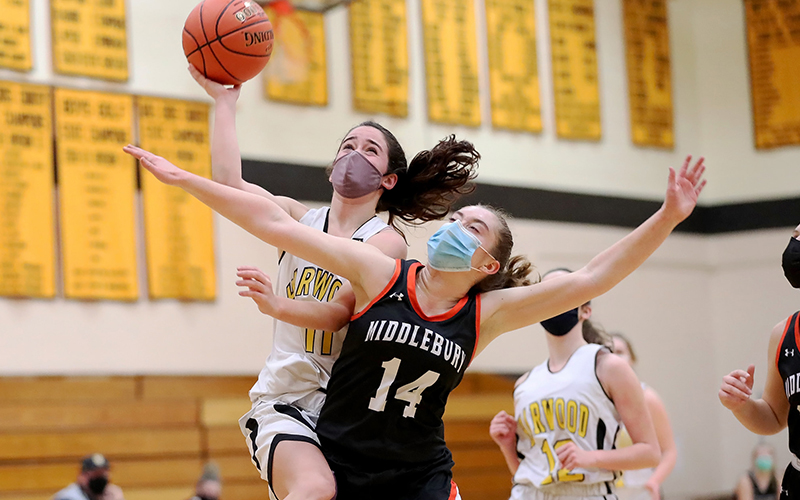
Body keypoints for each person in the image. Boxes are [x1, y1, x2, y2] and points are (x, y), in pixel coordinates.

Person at [122, 142, 705, 500]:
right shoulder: (382, 275)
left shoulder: (488, 313)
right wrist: (183, 180)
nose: (455, 225)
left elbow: (593, 278)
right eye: (456, 216)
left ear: (488, 264)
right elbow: (277, 227)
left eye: (472, 226)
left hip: (419, 474)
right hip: (344, 459)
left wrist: (668, 217)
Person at [188, 66, 479, 500]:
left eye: (369, 150)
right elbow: (229, 183)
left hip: (348, 415)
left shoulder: (386, 243)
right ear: (331, 168)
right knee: (314, 488)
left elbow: (338, 313)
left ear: (388, 179)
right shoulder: (297, 218)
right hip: (286, 399)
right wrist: (225, 103)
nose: (354, 154)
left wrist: (278, 304)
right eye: (347, 145)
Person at [489, 269, 660, 500]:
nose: (554, 297)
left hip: (588, 493)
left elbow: (650, 453)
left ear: (585, 310)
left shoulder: (608, 366)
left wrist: (591, 458)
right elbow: (528, 473)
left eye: (564, 289)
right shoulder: (525, 383)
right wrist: (507, 446)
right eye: (546, 292)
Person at [719, 222, 800, 500]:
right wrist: (741, 405)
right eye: (796, 234)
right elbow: (775, 417)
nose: (797, 241)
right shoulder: (784, 334)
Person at [611, 333, 677, 500]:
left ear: (631, 358)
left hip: (639, 490)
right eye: (608, 352)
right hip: (605, 490)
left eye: (619, 352)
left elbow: (669, 451)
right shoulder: (595, 399)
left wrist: (654, 483)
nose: (615, 358)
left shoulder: (647, 398)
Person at [52, 454, 124, 500]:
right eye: (95, 474)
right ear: (81, 476)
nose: (99, 478)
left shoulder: (111, 494)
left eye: (103, 474)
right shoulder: (67, 497)